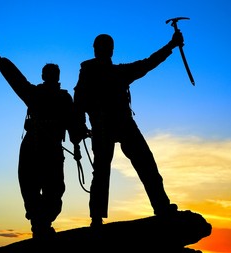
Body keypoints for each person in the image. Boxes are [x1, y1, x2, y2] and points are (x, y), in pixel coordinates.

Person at [73, 31, 184, 227]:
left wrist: (171, 46)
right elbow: (79, 100)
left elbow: (148, 63)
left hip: (116, 125)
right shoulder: (99, 72)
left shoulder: (108, 72)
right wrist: (171, 45)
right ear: (107, 50)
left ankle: (100, 217)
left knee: (140, 165)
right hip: (110, 126)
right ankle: (158, 207)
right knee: (112, 170)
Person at [0, 42, 82, 239]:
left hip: (42, 148)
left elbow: (14, 77)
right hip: (40, 148)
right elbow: (14, 76)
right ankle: (40, 225)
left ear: (46, 76)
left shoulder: (43, 96)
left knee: (46, 191)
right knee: (36, 189)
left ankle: (40, 224)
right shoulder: (44, 96)